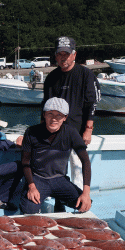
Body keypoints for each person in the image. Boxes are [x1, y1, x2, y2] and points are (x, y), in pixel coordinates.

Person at [41, 36, 100, 212]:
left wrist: (88, 129)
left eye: (66, 54)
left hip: (77, 131)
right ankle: (60, 200)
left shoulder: (85, 74)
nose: (63, 57)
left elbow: (92, 104)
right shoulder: (51, 77)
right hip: (54, 131)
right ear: (55, 56)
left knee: (77, 167)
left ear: (74, 55)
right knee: (57, 167)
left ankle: (78, 203)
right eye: (60, 54)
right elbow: (44, 106)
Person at [20, 97, 92, 214]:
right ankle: (57, 199)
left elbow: (85, 161)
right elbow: (25, 163)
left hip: (60, 179)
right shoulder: (31, 132)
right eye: (50, 114)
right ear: (44, 115)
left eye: (59, 115)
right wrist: (31, 187)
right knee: (28, 210)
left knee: (84, 204)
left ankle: (60, 201)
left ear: (65, 117)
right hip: (38, 179)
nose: (54, 118)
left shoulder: (71, 132)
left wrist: (86, 193)